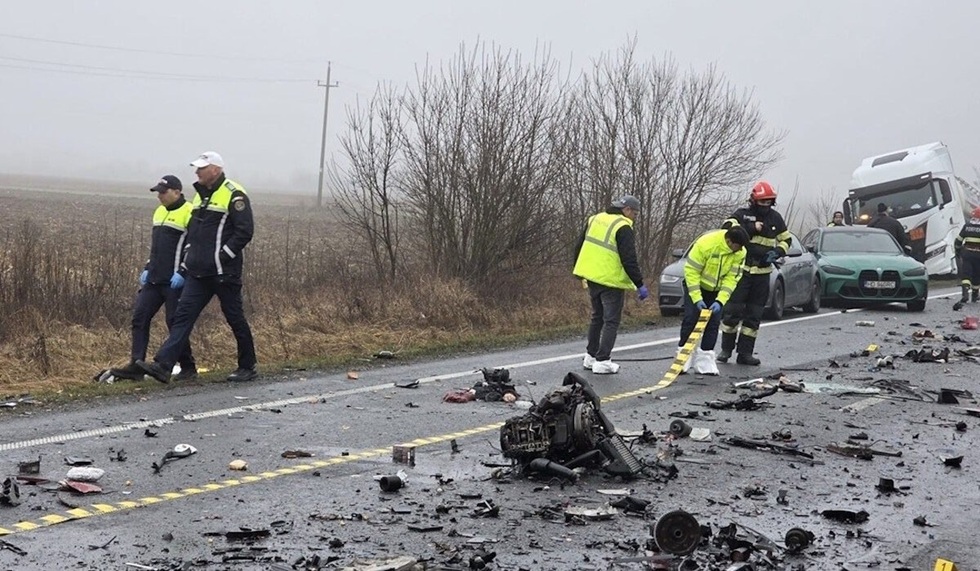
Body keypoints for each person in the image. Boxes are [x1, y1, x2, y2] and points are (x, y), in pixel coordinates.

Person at [137, 151, 257, 383]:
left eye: (201, 168)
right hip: (198, 272)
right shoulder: (201, 197)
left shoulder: (234, 194)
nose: (197, 172)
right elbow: (194, 233)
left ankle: (247, 365)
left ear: (215, 170)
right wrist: (190, 259)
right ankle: (164, 365)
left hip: (224, 273)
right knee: (181, 317)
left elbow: (245, 231)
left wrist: (222, 256)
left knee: (234, 317)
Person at [107, 175, 197, 381]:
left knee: (174, 323)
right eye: (158, 192)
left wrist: (182, 272)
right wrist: (148, 267)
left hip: (174, 279)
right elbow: (156, 247)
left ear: (177, 191)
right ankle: (136, 364)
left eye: (163, 192)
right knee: (140, 317)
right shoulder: (159, 212)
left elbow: (192, 246)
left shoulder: (189, 212)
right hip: (154, 278)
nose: (160, 196)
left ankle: (188, 367)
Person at [718, 181, 791, 366]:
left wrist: (778, 252)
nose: (765, 206)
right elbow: (726, 228)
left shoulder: (776, 218)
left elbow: (786, 239)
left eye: (769, 202)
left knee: (754, 315)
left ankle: (745, 353)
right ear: (754, 200)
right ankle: (726, 350)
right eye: (762, 202)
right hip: (741, 272)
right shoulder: (742, 215)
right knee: (732, 313)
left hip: (762, 274)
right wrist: (750, 228)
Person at [573, 195, 648, 375]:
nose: (635, 217)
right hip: (610, 280)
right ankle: (603, 360)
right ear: (627, 210)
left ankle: (590, 357)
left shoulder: (595, 218)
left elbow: (579, 245)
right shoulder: (623, 226)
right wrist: (639, 283)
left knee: (597, 317)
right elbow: (629, 259)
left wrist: (577, 269)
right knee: (611, 320)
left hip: (592, 277)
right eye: (635, 213)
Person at [678, 226, 749, 374]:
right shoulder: (706, 244)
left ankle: (705, 360)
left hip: (716, 291)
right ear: (729, 241)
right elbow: (691, 272)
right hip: (696, 285)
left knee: (713, 323)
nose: (739, 250)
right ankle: (683, 358)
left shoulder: (740, 252)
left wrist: (720, 301)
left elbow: (732, 279)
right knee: (691, 319)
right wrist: (697, 298)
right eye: (737, 247)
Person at [953, 207, 980, 310]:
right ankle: (975, 294)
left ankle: (965, 295)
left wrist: (958, 251)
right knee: (977, 274)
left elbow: (958, 241)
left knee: (966, 274)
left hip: (967, 253)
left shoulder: (967, 226)